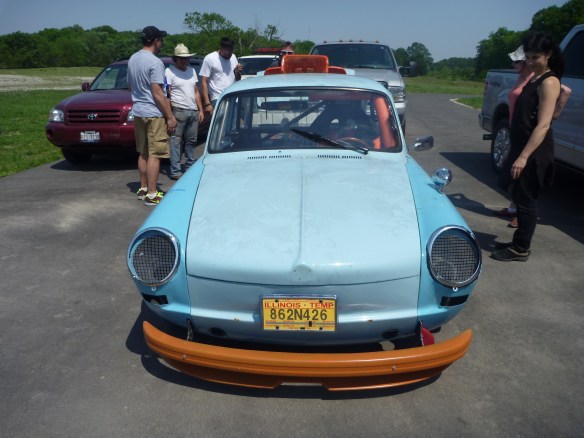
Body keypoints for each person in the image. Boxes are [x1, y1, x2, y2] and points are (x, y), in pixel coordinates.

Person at [492, 32, 564, 262]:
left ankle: (521, 248)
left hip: (534, 151)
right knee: (516, 193)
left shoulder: (549, 81)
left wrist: (523, 157)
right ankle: (518, 241)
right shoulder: (535, 78)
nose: (531, 62)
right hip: (522, 146)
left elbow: (543, 125)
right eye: (528, 57)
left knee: (526, 200)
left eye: (536, 57)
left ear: (548, 55)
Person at [127, 26, 177, 206]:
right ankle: (152, 194)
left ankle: (143, 188)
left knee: (144, 152)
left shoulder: (133, 59)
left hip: (138, 111)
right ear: (155, 41)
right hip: (153, 113)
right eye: (161, 40)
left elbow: (130, 86)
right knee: (156, 154)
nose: (162, 43)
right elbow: (157, 92)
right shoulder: (155, 63)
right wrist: (170, 116)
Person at [492, 46, 534, 228]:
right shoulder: (521, 78)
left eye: (517, 61)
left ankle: (523, 214)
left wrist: (553, 115)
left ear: (527, 62)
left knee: (523, 175)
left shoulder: (535, 79)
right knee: (514, 173)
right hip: (515, 130)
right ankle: (512, 208)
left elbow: (565, 90)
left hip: (526, 133)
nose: (514, 64)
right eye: (514, 61)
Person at [165, 43, 204, 180]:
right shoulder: (169, 71)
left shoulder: (191, 71)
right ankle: (175, 170)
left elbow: (196, 91)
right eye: (181, 58)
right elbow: (167, 93)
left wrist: (200, 109)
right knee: (175, 141)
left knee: (191, 140)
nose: (184, 60)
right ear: (175, 59)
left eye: (186, 58)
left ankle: (189, 166)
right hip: (178, 110)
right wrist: (169, 115)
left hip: (193, 110)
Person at [200, 37, 242, 116]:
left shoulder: (233, 57)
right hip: (218, 98)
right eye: (227, 50)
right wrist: (207, 103)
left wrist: (238, 72)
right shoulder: (210, 58)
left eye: (231, 50)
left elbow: (238, 79)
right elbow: (204, 81)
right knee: (222, 123)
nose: (229, 53)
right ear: (221, 48)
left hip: (233, 97)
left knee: (234, 123)